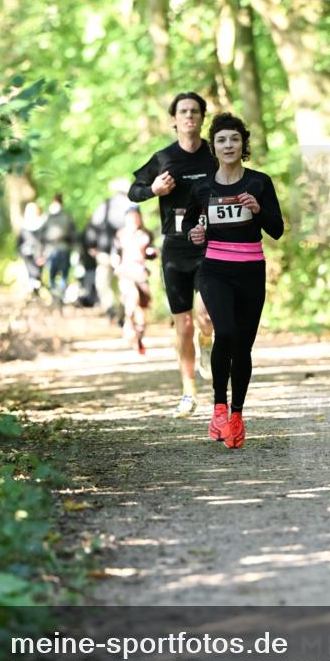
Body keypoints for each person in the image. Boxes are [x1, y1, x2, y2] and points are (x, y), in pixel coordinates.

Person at [183, 113, 283, 448]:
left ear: (243, 144)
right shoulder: (203, 186)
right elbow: (188, 224)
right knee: (225, 332)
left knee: (243, 345)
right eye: (222, 140)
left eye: (234, 139)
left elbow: (277, 229)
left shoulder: (259, 182)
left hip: (251, 269)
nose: (228, 145)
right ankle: (218, 407)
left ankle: (237, 415)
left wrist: (258, 209)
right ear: (214, 147)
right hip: (215, 270)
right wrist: (196, 232)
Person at [129, 92, 216, 418]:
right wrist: (154, 190)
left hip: (211, 244)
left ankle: (207, 343)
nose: (189, 116)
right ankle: (188, 392)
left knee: (205, 315)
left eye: (195, 111)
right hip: (176, 247)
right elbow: (134, 191)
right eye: (183, 111)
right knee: (183, 325)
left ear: (203, 117)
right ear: (174, 119)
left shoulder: (215, 153)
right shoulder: (163, 158)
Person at [112, 205, 157, 354]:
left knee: (142, 308)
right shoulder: (120, 235)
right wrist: (116, 265)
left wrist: (152, 252)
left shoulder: (146, 234)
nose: (134, 220)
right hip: (126, 272)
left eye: (136, 216)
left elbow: (152, 253)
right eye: (131, 217)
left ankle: (139, 337)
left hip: (141, 273)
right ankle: (128, 321)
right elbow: (115, 253)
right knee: (133, 298)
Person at [83, 180, 130, 321]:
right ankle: (122, 313)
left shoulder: (106, 205)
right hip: (125, 251)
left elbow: (93, 226)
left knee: (103, 282)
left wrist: (91, 244)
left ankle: (111, 308)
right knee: (123, 283)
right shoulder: (132, 206)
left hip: (105, 250)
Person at [38, 193, 77, 298]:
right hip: (63, 248)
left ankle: (55, 296)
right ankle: (60, 296)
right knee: (63, 275)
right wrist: (75, 248)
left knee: (52, 275)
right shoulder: (66, 216)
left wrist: (40, 252)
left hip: (51, 249)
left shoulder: (47, 217)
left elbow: (41, 236)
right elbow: (73, 234)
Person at [16, 202, 46, 295]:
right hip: (29, 254)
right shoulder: (25, 226)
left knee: (36, 275)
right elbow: (19, 242)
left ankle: (35, 290)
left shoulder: (40, 224)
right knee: (33, 274)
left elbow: (43, 241)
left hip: (37, 254)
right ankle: (33, 291)